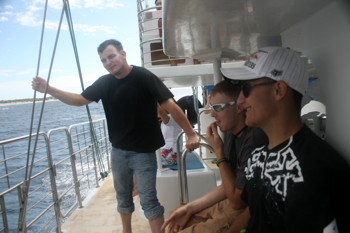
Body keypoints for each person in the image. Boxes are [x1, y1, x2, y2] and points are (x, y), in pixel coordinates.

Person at [32, 39, 199, 233]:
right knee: (123, 198)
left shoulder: (143, 76)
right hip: (118, 151)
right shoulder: (105, 82)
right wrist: (49, 89)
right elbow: (79, 100)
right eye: (103, 60)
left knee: (148, 200)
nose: (108, 62)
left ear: (123, 54)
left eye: (111, 56)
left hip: (143, 153)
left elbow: (170, 105)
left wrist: (191, 133)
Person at [220, 46, 350, 233]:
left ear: (278, 90)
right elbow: (258, 210)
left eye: (245, 88)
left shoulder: (315, 169)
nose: (239, 101)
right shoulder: (258, 155)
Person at [161, 80, 267, 233]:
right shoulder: (231, 134)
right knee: (175, 218)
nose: (211, 114)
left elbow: (237, 202)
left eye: (217, 107)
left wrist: (219, 152)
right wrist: (189, 208)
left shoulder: (254, 139)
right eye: (211, 108)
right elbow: (228, 186)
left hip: (244, 208)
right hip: (229, 202)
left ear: (238, 106)